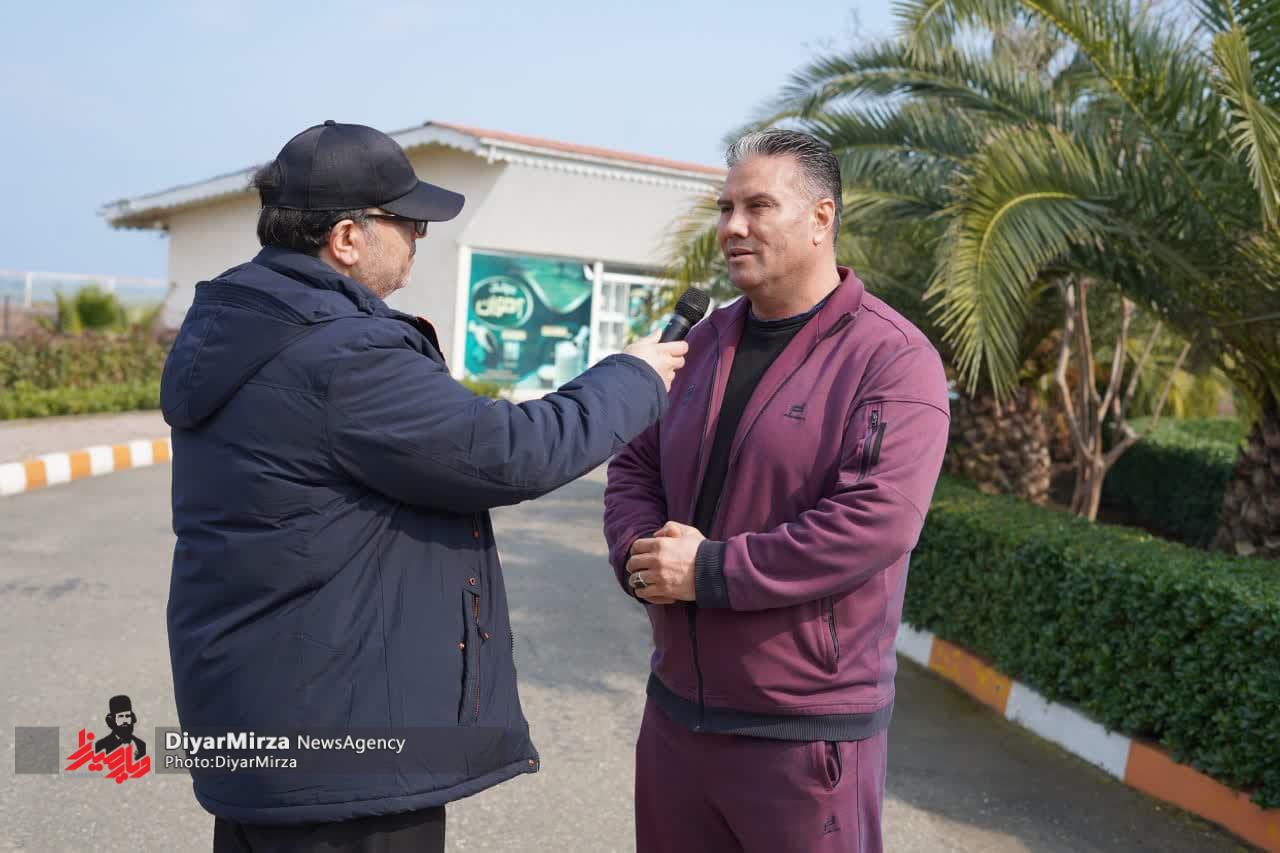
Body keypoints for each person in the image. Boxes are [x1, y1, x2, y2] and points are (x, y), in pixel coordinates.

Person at [161, 121, 687, 853]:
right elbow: (511, 452)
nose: (420, 237)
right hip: (341, 753)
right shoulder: (342, 352)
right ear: (347, 237)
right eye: (407, 222)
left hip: (265, 720)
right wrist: (634, 376)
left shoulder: (245, 325)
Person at [603, 128, 950, 852]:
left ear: (822, 218)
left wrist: (709, 571)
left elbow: (876, 521)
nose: (733, 226)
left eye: (758, 206)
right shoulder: (696, 346)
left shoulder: (891, 357)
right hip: (675, 718)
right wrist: (641, 554)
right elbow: (634, 465)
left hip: (804, 737)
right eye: (726, 207)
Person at [94, 695, 146, 760]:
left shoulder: (141, 745)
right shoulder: (101, 746)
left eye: (127, 716)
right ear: (113, 720)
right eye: (121, 716)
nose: (125, 721)